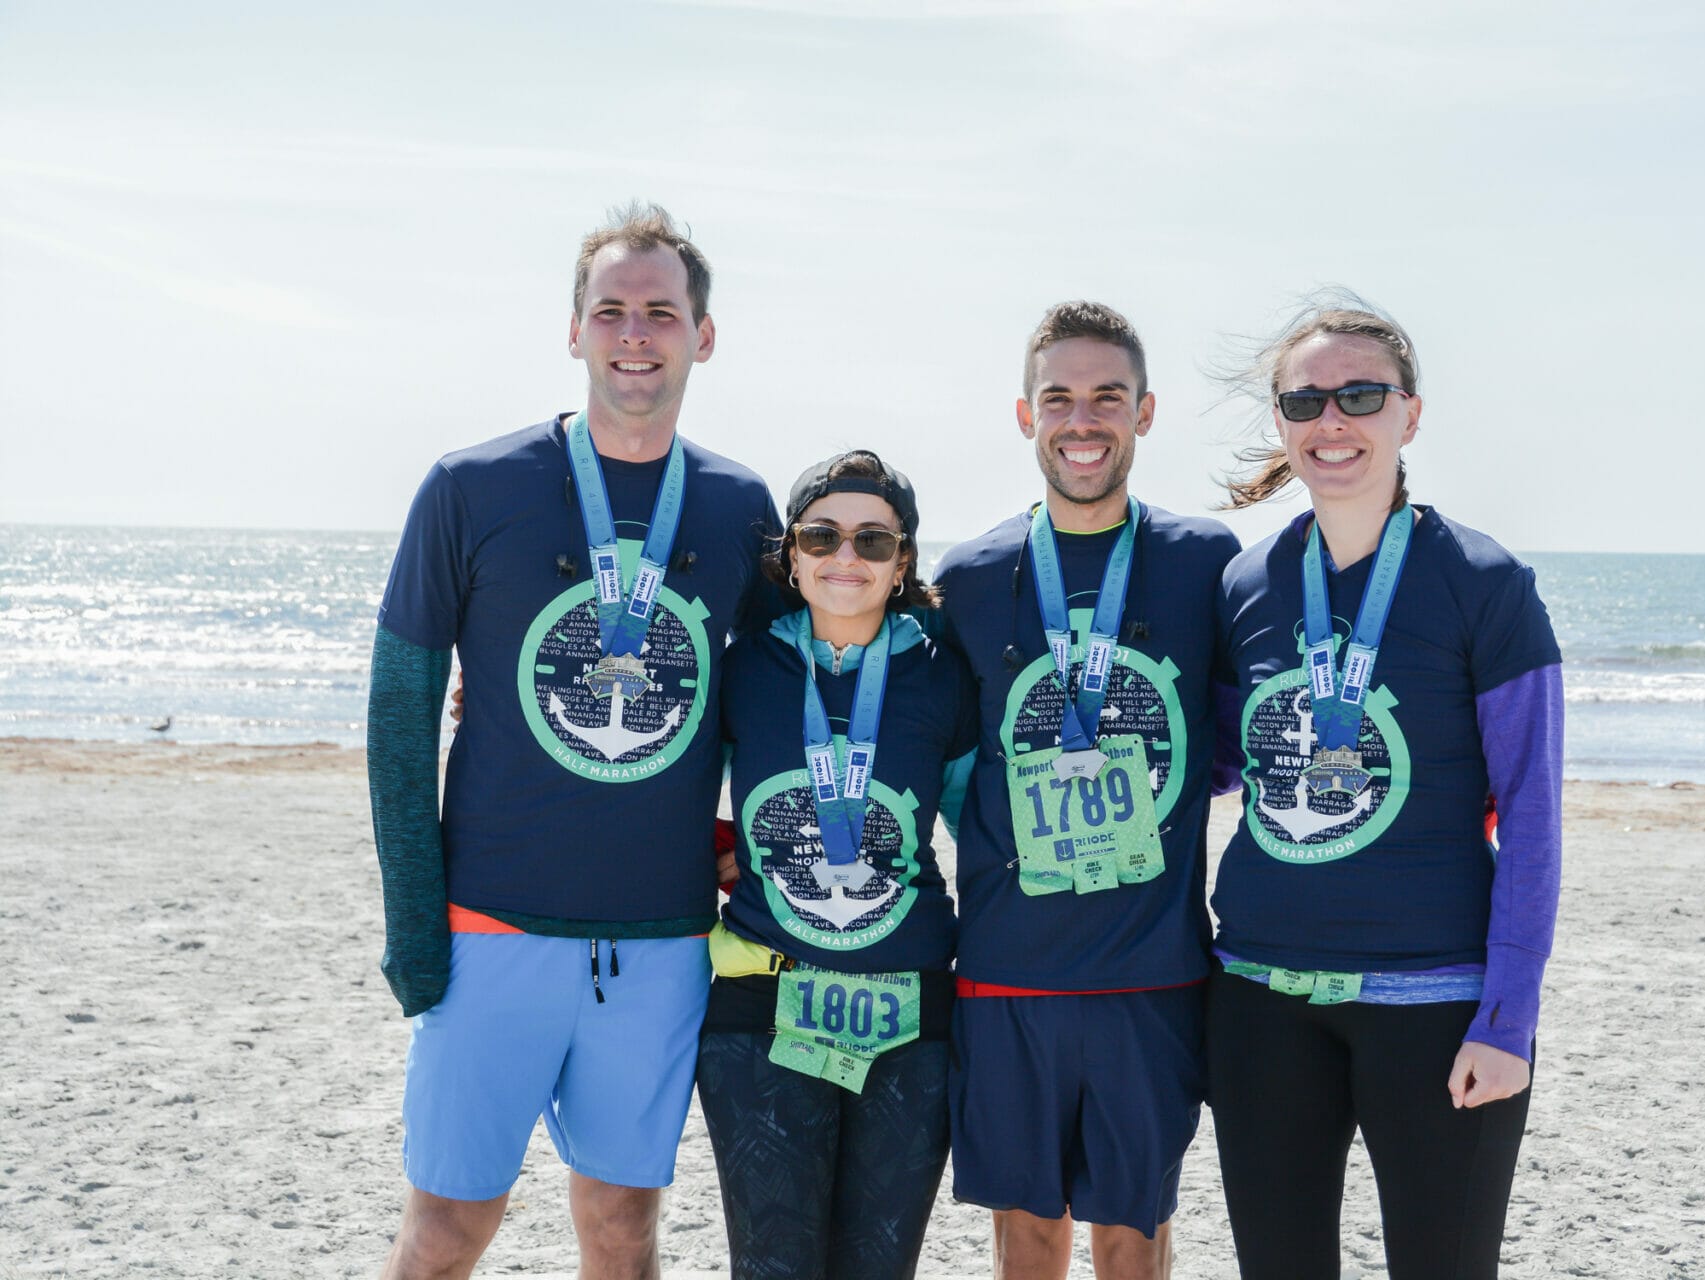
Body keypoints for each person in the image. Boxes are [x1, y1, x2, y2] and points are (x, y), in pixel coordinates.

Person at [367, 202, 781, 1280]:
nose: (635, 333)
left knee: (622, 1225)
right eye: (612, 311)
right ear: (574, 330)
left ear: (704, 334)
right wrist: (415, 925)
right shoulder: (470, 487)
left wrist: (745, 848)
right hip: (490, 925)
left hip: (657, 944)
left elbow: (771, 704)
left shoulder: (743, 507)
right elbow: (398, 713)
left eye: (661, 311)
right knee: (446, 1230)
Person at [1207, 294, 1563, 1278]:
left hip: (1439, 1006)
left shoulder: (1485, 582)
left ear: (1411, 413)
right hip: (1260, 1002)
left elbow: (1532, 813)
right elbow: (1227, 761)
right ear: (1279, 422)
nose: (1333, 421)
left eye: (1361, 394)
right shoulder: (1246, 584)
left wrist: (1509, 1018)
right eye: (1305, 400)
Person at [933, 301, 1240, 1280]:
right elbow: (929, 753)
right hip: (1006, 966)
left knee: (1132, 1238)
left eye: (1107, 396)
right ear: (1025, 416)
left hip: (1151, 973)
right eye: (1057, 397)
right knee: (1026, 1238)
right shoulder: (971, 577)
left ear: (1145, 412)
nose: (1083, 420)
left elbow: (1241, 735)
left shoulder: (1205, 564)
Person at [697, 450, 976, 1280]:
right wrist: (722, 848)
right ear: (791, 554)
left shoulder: (945, 680)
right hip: (764, 1009)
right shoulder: (741, 668)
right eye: (821, 535)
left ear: (904, 564)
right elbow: (659, 797)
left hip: (911, 1017)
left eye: (873, 541)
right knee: (773, 1267)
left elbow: (984, 831)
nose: (845, 557)